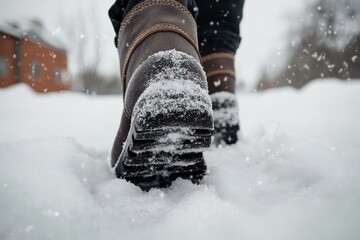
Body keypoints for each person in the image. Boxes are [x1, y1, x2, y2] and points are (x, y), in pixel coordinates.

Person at [108, 0, 245, 190]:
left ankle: (154, 30)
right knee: (216, 16)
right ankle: (219, 76)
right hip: (198, 63)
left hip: (149, 63)